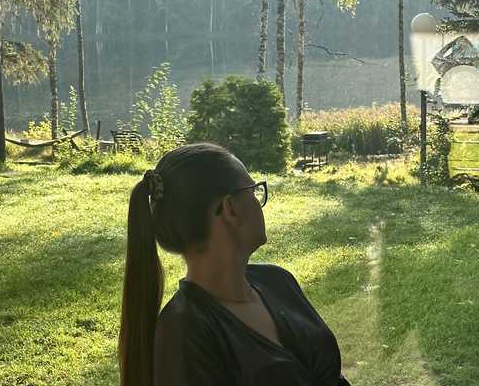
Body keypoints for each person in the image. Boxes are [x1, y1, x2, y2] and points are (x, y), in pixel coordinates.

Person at [119, 143, 350, 386]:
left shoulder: (278, 281)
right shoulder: (183, 332)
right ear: (230, 208)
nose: (258, 201)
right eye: (253, 190)